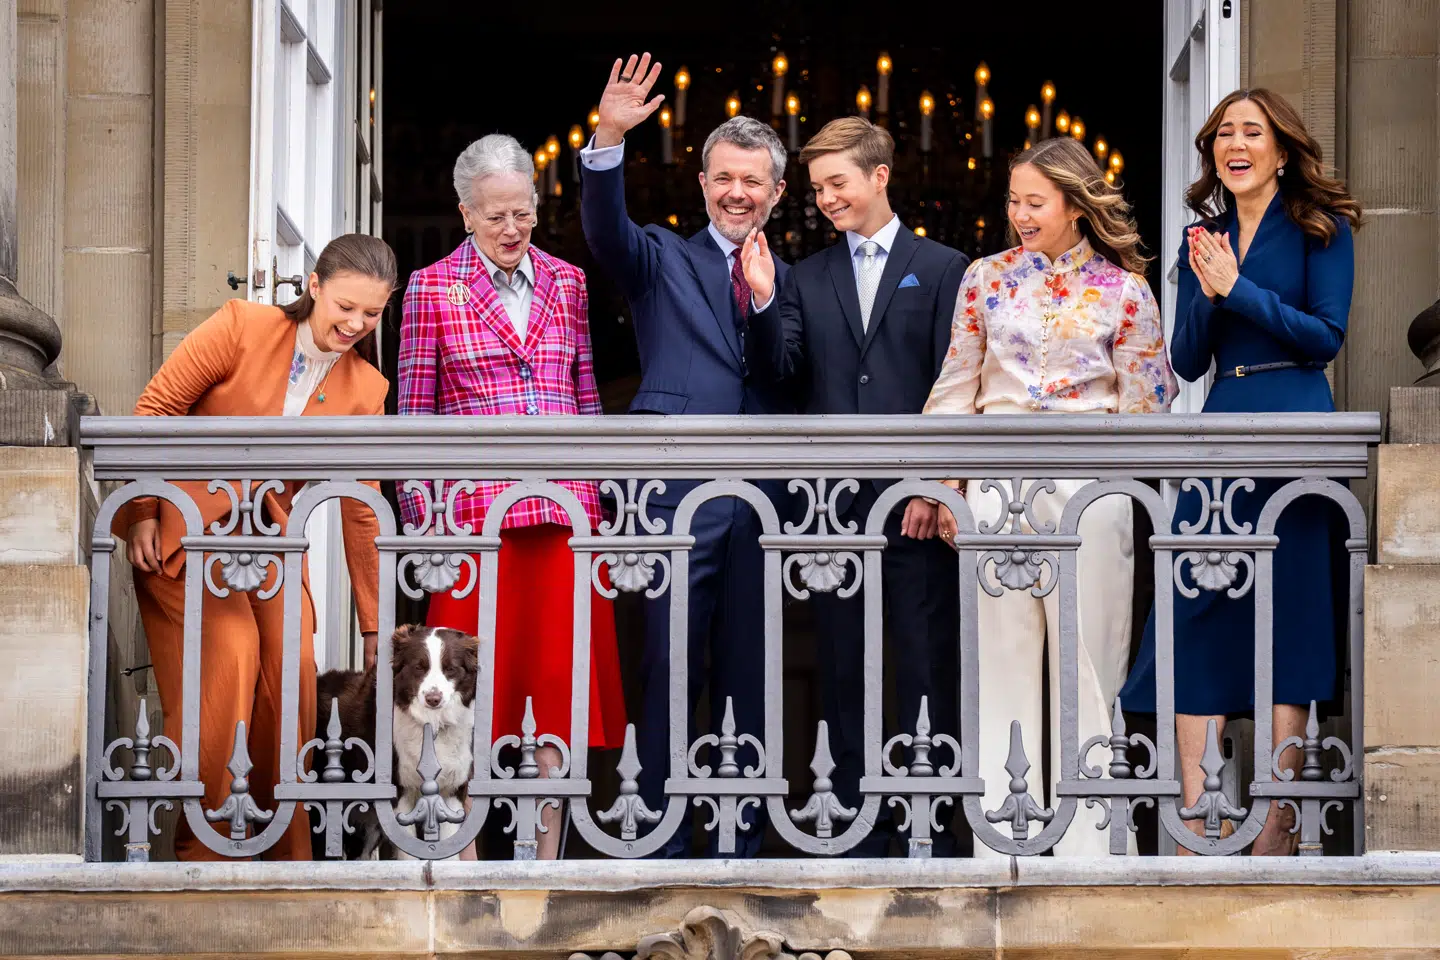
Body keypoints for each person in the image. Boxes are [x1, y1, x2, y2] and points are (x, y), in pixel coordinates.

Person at [1119, 89, 1361, 856]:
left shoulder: (1322, 228)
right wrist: (1200, 288)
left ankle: (1279, 823)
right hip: (1221, 427)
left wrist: (1237, 288)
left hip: (1296, 422)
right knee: (1192, 613)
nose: (1236, 142)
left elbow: (1325, 338)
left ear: (1282, 150)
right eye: (1225, 131)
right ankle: (1196, 822)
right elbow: (1188, 359)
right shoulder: (1206, 235)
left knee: (1289, 621)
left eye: (1252, 130)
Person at [924, 137, 1178, 856]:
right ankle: (1001, 844)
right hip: (998, 476)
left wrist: (1123, 488)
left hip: (1091, 486)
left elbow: (1149, 405)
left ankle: (1092, 850)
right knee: (998, 660)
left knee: (1091, 663)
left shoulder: (1126, 289)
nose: (1020, 214)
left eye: (1034, 202)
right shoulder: (984, 278)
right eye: (1013, 201)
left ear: (1075, 203)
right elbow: (955, 386)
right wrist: (947, 487)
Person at [115, 233, 396, 861]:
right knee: (232, 652)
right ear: (315, 287)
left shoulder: (365, 390)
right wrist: (140, 513)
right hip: (182, 531)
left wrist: (374, 624)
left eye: (371, 314)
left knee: (295, 664)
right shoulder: (241, 325)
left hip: (268, 543)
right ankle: (203, 849)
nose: (354, 324)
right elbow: (155, 410)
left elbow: (361, 510)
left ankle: (280, 852)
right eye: (344, 306)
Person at [580, 52, 792, 857]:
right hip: (673, 491)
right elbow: (604, 229)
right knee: (671, 667)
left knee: (752, 667)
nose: (737, 193)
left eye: (754, 182)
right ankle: (662, 832)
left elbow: (785, 370)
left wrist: (769, 300)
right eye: (724, 178)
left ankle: (741, 834)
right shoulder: (662, 257)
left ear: (776, 193)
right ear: (703, 182)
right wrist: (607, 136)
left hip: (765, 500)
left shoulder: (790, 274)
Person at [398, 133, 628, 861]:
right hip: (472, 530)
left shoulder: (568, 282)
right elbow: (414, 419)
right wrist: (424, 530)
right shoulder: (431, 287)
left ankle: (541, 867)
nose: (511, 230)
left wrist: (595, 512)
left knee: (557, 699)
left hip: (562, 527)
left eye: (523, 214)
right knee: (460, 699)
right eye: (495, 215)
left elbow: (585, 397)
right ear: (465, 213)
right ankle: (465, 872)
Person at [742, 117, 968, 855]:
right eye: (816, 189)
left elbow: (955, 381)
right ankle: (850, 821)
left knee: (925, 656)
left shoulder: (945, 268)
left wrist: (937, 485)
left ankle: (930, 822)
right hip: (833, 508)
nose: (826, 199)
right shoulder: (806, 275)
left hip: (916, 505)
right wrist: (768, 298)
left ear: (879, 176)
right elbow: (783, 376)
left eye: (837, 184)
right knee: (843, 662)